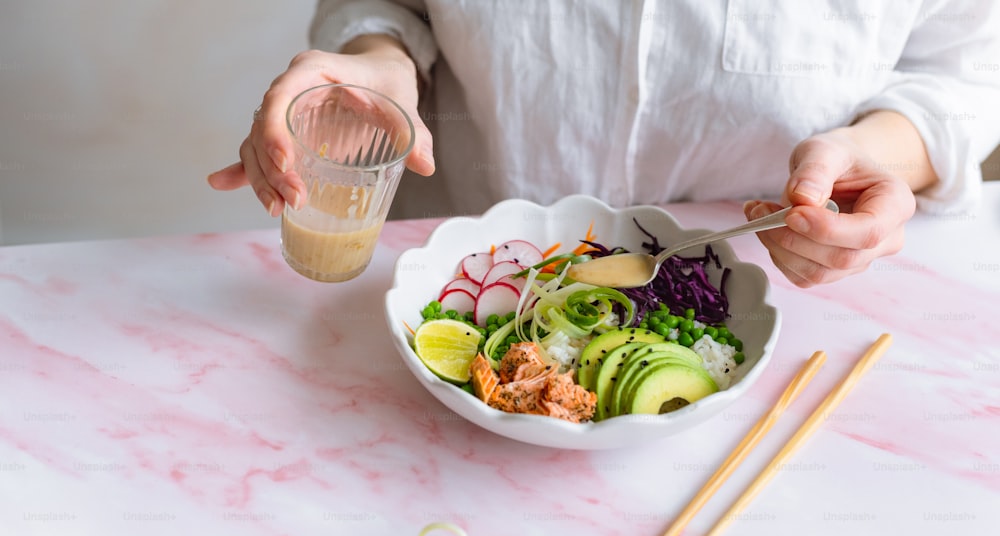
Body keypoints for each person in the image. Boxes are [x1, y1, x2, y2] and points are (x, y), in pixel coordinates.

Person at [208, 1, 1000, 287]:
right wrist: (378, 60)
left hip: (769, 294)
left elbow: (969, 72)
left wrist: (884, 154)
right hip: (447, 279)